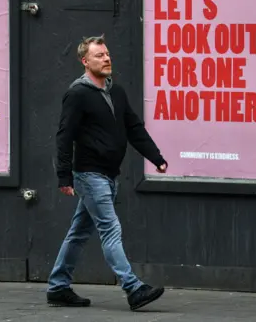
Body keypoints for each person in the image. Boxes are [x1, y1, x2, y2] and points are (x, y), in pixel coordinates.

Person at [46, 34, 168, 311]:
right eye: (99, 55)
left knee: (78, 232)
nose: (107, 58)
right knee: (110, 228)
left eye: (107, 54)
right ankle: (133, 288)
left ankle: (57, 286)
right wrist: (64, 176)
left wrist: (156, 157)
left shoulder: (117, 91)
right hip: (90, 175)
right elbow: (64, 136)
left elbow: (134, 128)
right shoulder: (77, 94)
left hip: (110, 174)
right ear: (84, 61)